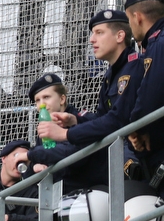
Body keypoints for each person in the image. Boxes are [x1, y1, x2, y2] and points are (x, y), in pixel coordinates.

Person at [28, 10, 142, 190]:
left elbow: (116, 120)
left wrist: (65, 134)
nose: (92, 40)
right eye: (37, 100)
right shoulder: (110, 75)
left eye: (99, 32)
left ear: (120, 35)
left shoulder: (134, 66)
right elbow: (102, 118)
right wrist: (76, 121)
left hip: (135, 161)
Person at [121, 0, 164, 180]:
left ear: (137, 17)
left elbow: (151, 92)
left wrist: (137, 128)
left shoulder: (158, 43)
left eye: (129, 20)